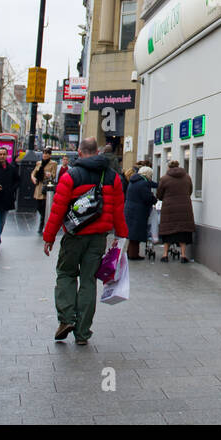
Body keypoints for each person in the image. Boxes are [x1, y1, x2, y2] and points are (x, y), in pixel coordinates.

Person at [41, 137, 128, 345]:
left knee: (66, 273)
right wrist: (121, 236)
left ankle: (66, 319)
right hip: (98, 238)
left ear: (79, 152)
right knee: (89, 281)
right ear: (97, 151)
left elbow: (58, 209)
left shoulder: (71, 175)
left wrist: (49, 237)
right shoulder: (113, 177)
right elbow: (118, 209)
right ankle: (82, 332)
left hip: (74, 236)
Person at [155, 160, 195, 263]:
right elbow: (190, 191)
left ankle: (165, 255)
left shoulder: (164, 178)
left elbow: (159, 195)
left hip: (169, 208)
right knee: (182, 231)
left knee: (168, 230)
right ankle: (183, 255)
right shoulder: (187, 177)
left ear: (168, 167)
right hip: (184, 207)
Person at [123, 164, 156, 260]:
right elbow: (147, 197)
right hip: (138, 211)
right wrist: (154, 199)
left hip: (131, 210)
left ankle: (130, 253)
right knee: (135, 235)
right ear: (148, 174)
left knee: (133, 234)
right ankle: (134, 254)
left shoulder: (134, 181)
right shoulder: (143, 183)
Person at [31, 149, 54, 234]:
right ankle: (44, 220)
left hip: (46, 188)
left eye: (47, 154)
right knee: (38, 206)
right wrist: (33, 178)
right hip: (38, 186)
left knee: (44, 207)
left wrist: (49, 175)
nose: (45, 155)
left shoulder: (53, 163)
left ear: (50, 155)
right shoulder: (38, 163)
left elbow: (53, 175)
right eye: (44, 154)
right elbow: (33, 173)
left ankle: (42, 225)